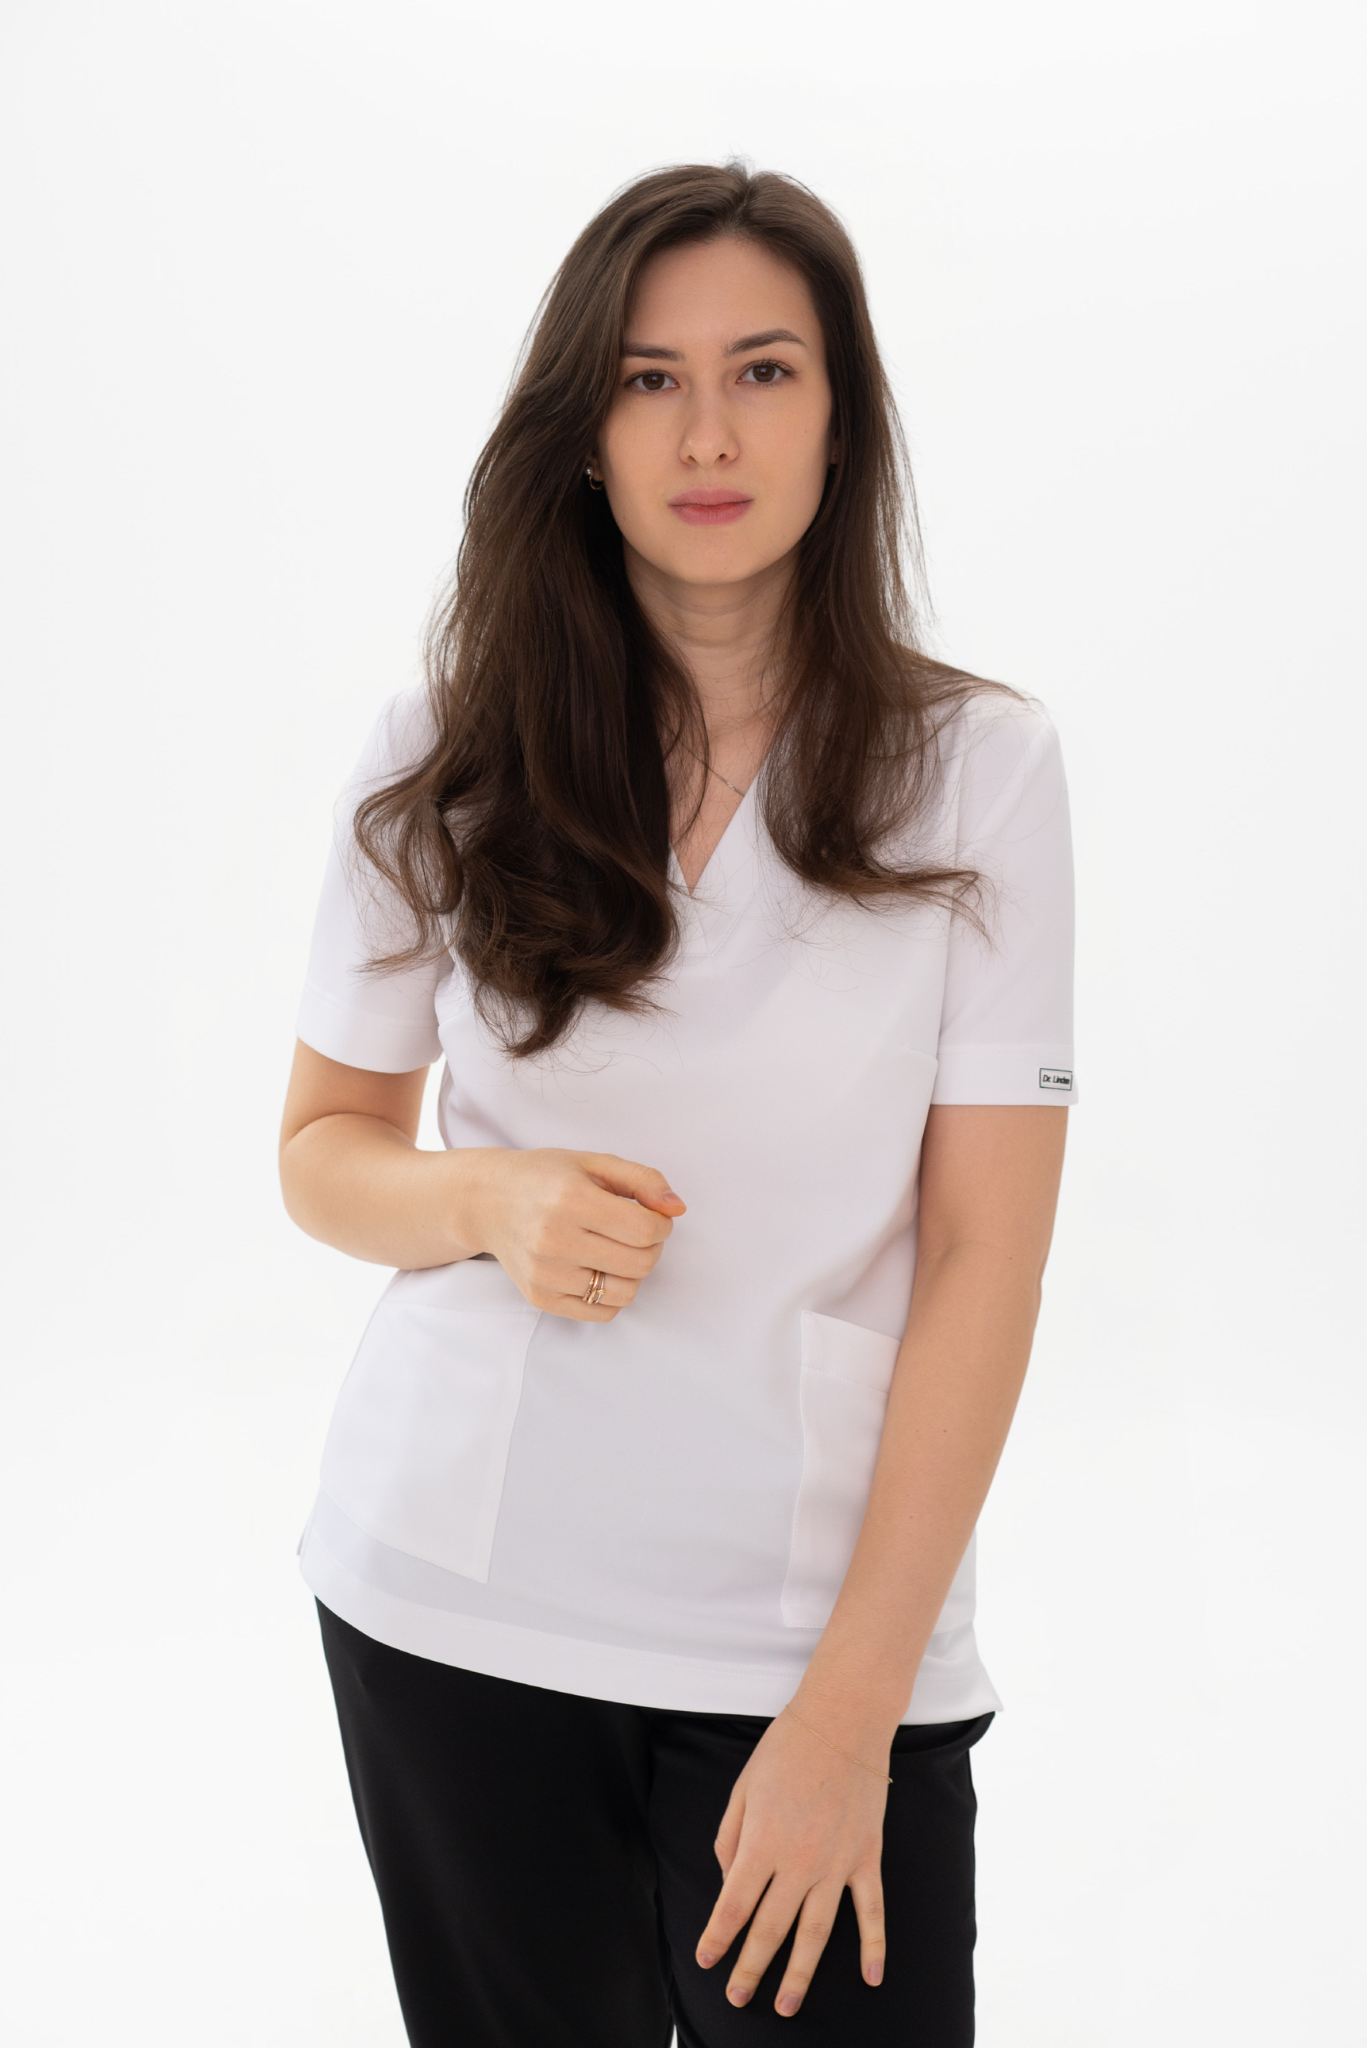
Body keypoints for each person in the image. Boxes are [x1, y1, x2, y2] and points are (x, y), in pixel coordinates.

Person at [279, 161, 1074, 2048]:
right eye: (647, 380)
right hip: (455, 1603)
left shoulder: (980, 770)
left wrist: (848, 1718)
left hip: (813, 1646)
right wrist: (488, 1202)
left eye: (762, 371)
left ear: (841, 417)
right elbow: (321, 1154)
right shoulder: (444, 751)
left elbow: (985, 1256)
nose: (706, 434)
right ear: (581, 430)